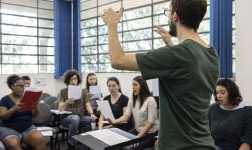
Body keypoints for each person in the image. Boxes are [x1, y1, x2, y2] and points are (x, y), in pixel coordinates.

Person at [101, 0, 219, 149]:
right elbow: (186, 75)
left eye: (168, 12)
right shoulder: (211, 54)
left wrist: (112, 25)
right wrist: (171, 45)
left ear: (175, 16)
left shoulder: (177, 54)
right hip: (204, 143)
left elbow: (117, 60)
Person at [0, 75, 46, 150]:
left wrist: (35, 107)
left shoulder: (27, 97)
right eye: (20, 86)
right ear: (12, 86)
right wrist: (14, 109)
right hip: (8, 128)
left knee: (40, 140)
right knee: (13, 144)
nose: (22, 88)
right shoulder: (4, 100)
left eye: (24, 86)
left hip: (27, 127)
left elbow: (35, 115)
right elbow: (3, 117)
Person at [109, 76, 159, 149]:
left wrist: (137, 138)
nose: (133, 87)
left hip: (150, 133)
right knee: (118, 143)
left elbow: (150, 124)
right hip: (137, 130)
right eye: (132, 85)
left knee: (132, 147)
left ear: (142, 86)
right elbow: (126, 116)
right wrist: (115, 121)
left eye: (135, 85)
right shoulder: (132, 99)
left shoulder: (151, 101)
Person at [58, 69, 97, 149]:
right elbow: (60, 109)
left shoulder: (83, 92)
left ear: (78, 80)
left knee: (90, 120)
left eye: (75, 79)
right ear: (67, 81)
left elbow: (88, 105)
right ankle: (71, 143)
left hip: (80, 117)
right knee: (75, 118)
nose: (73, 81)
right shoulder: (63, 91)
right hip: (66, 118)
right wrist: (67, 102)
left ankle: (86, 145)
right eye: (71, 79)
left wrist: (92, 114)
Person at [209, 79, 252, 150]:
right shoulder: (213, 108)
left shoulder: (247, 111)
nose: (219, 96)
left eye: (222, 93)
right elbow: (206, 132)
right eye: (217, 93)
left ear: (232, 93)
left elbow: (248, 141)